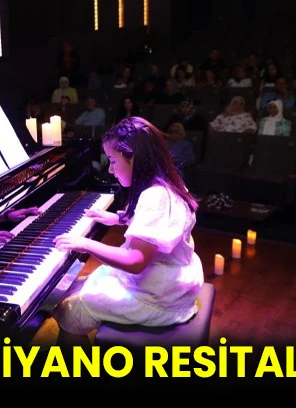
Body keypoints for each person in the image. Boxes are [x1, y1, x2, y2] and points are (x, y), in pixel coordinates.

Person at [50, 116, 204, 345]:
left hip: (158, 297)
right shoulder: (170, 184)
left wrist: (85, 244)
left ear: (134, 157)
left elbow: (135, 261)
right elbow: (159, 223)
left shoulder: (155, 197)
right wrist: (119, 218)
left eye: (113, 160)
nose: (110, 169)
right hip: (173, 280)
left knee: (71, 310)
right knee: (79, 284)